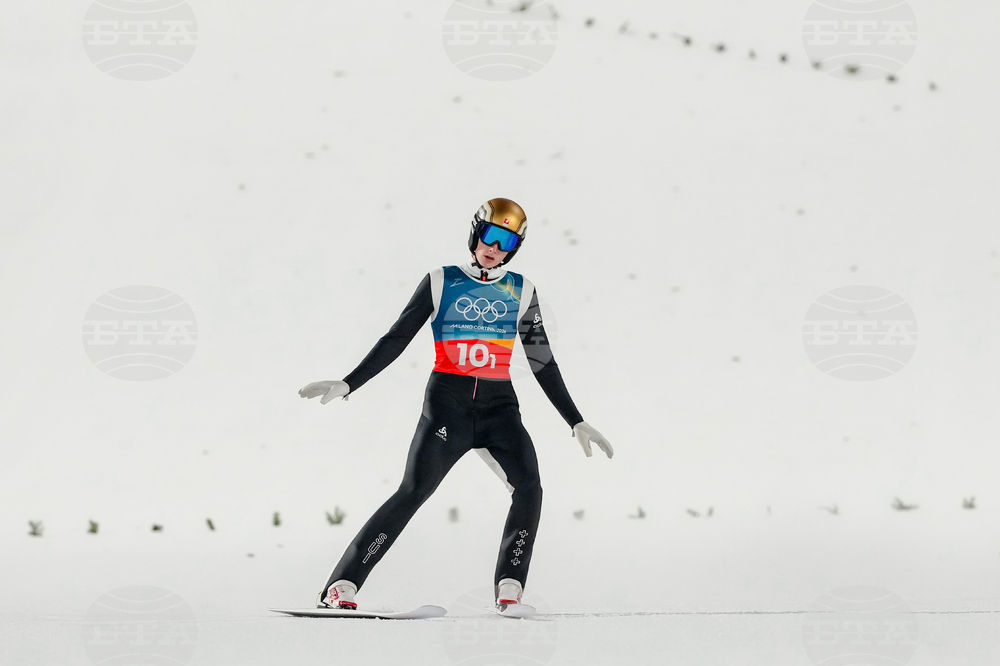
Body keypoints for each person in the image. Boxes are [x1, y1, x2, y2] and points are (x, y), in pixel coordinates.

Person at [299, 197, 613, 612]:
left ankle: (509, 589)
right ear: (476, 232)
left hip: (501, 411)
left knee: (530, 490)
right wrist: (349, 382)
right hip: (448, 406)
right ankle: (341, 585)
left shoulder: (522, 290)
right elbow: (396, 339)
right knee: (413, 492)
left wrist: (576, 420)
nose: (495, 248)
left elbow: (542, 360)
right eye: (490, 236)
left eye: (506, 242)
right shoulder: (440, 280)